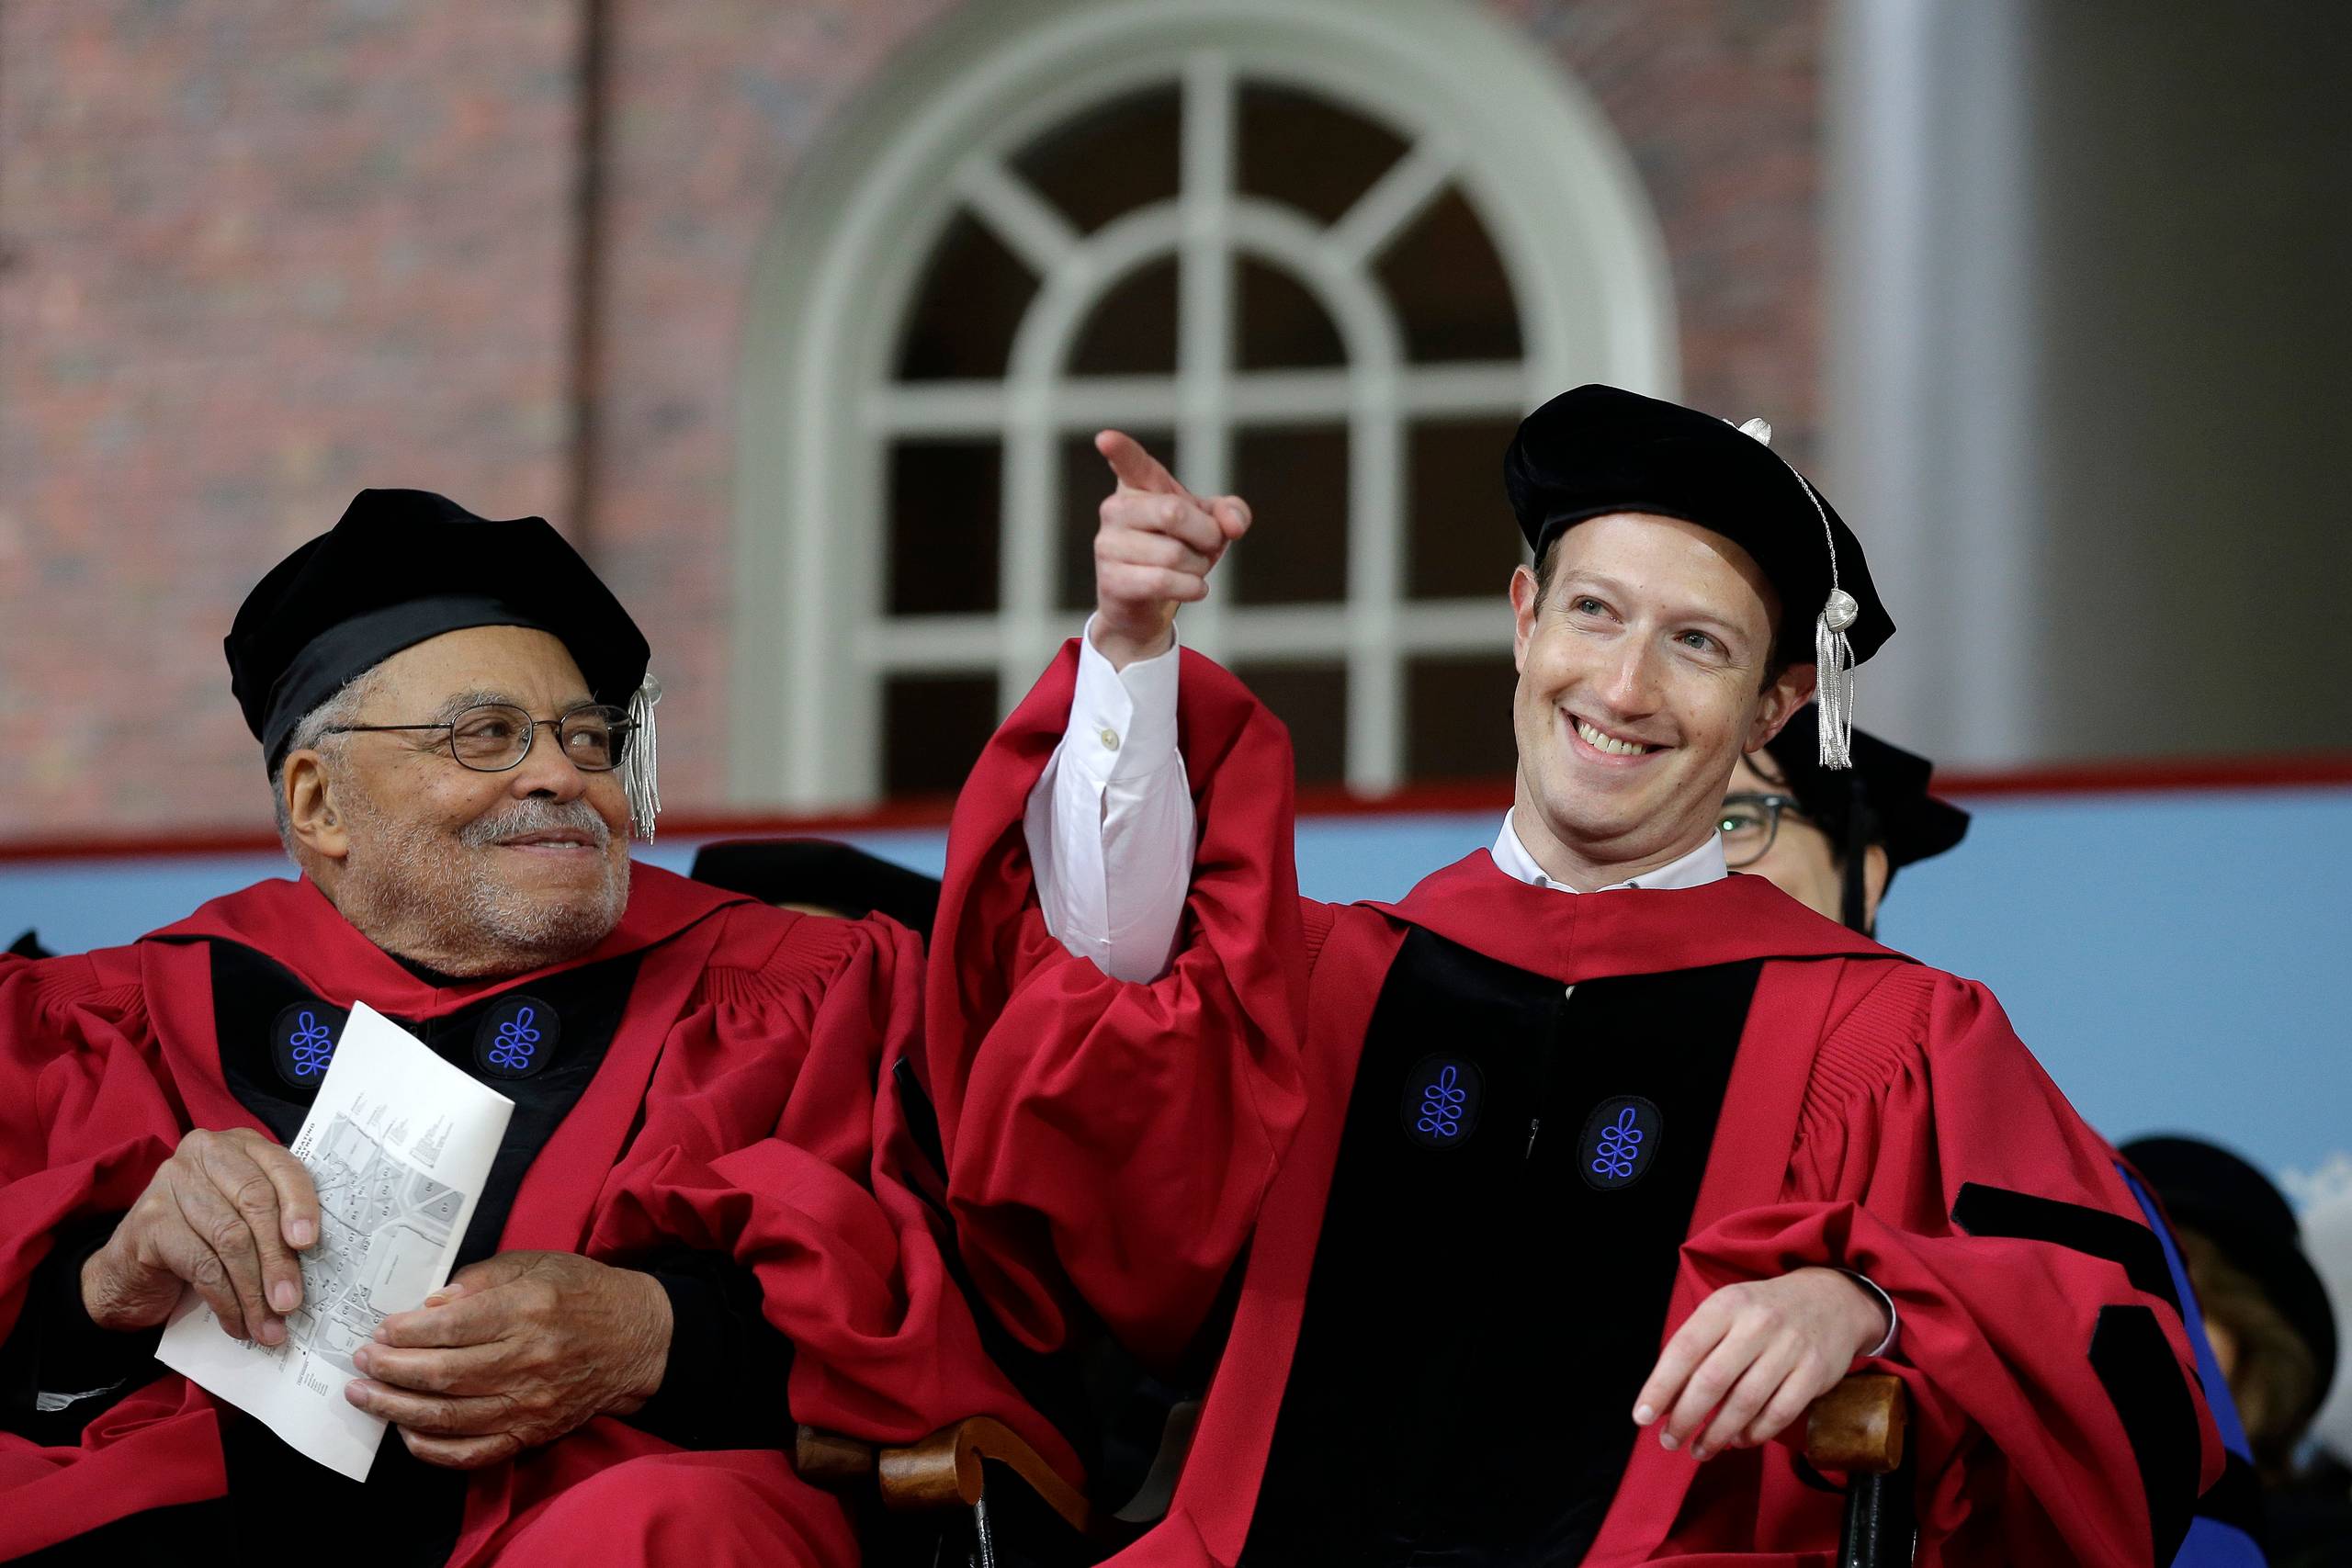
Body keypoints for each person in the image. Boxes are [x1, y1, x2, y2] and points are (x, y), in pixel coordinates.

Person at [925, 385, 2220, 1564]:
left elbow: (2119, 1353)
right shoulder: (1326, 982)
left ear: (1773, 709)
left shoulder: (1890, 1035)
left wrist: (1870, 1304)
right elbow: (1094, 1035)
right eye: (1593, 610)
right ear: (1524, 618)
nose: (1623, 683)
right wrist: (1132, 645)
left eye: (1699, 644)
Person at [0, 491, 1060, 1566]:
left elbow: (976, 1315)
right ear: (320, 804)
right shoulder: (103, 1028)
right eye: (488, 734)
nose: (561, 774)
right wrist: (105, 1292)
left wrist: (659, 1336)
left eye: (588, 738)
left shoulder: (798, 996)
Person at [1718, 706, 1969, 936]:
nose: (1695, 858)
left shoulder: (1937, 987)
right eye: (1676, 829)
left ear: (1863, 879)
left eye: (1735, 822)